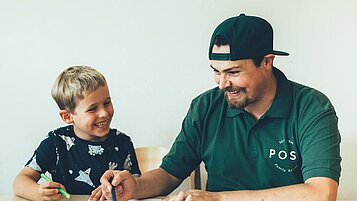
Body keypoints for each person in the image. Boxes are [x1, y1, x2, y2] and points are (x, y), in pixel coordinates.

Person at [100, 13, 341, 201]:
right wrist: (134, 186)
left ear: (267, 62)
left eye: (234, 72)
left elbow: (321, 193)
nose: (223, 84)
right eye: (216, 72)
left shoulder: (312, 108)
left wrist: (216, 198)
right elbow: (169, 174)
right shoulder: (205, 106)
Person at [13, 65, 141, 201]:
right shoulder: (55, 142)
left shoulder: (123, 142)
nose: (104, 113)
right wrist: (38, 192)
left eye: (107, 103)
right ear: (68, 116)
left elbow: (136, 185)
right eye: (92, 109)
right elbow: (19, 182)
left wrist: (118, 189)